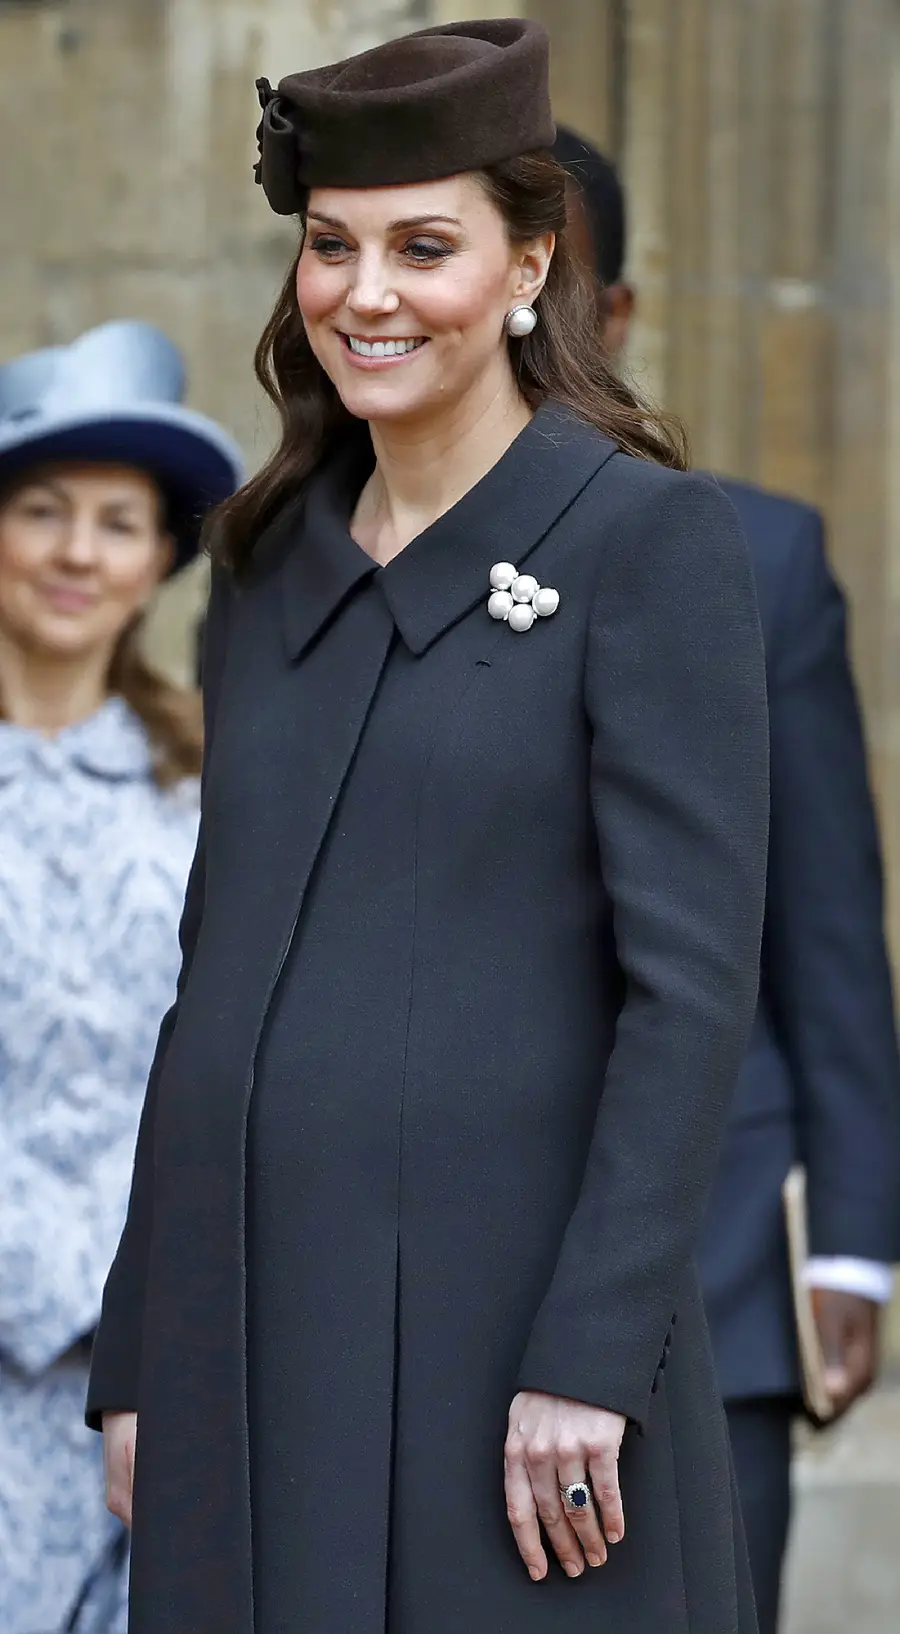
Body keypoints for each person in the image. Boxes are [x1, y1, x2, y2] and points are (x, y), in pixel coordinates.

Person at [88, 22, 770, 1634]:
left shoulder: (648, 545)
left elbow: (689, 999)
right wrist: (142, 1346)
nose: (367, 292)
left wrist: (590, 1358)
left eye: (424, 246)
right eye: (331, 245)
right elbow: (209, 993)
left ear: (531, 262)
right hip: (250, 1338)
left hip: (520, 1361)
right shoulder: (261, 569)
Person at [553, 124, 900, 1634]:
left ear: (617, 314)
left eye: (552, 279)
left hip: (719, 1276)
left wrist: (854, 1240)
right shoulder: (340, 555)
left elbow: (827, 928)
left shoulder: (759, 561)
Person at [0, 319, 243, 1633]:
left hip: (159, 1376)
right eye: (42, 511)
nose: (77, 553)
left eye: (117, 522)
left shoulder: (211, 790)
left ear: (161, 560)